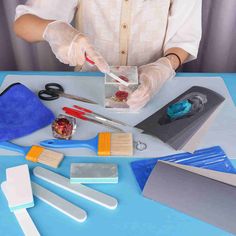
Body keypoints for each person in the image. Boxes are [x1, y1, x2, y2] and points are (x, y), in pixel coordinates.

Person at [14, 0, 202, 111]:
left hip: (154, 91)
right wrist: (53, 30)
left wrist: (163, 67)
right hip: (88, 89)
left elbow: (184, 38)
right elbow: (23, 23)